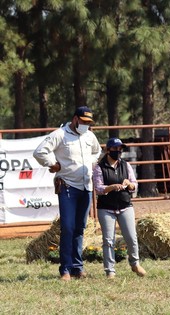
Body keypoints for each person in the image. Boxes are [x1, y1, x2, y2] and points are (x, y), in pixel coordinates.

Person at [33, 106, 101, 281]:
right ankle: (65, 269)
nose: (86, 125)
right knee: (68, 228)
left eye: (89, 123)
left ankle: (78, 267)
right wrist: (52, 164)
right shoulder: (60, 134)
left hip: (86, 187)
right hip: (68, 186)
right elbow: (39, 152)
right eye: (84, 122)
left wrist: (92, 163)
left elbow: (97, 151)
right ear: (75, 119)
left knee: (80, 228)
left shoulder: (89, 136)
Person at [93, 138, 146, 279]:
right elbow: (98, 188)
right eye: (115, 149)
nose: (118, 152)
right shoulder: (99, 167)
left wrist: (130, 184)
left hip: (125, 206)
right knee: (108, 239)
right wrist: (111, 187)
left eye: (120, 149)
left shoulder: (126, 165)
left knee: (131, 237)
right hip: (106, 208)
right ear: (108, 150)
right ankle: (110, 270)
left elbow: (134, 183)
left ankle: (135, 263)